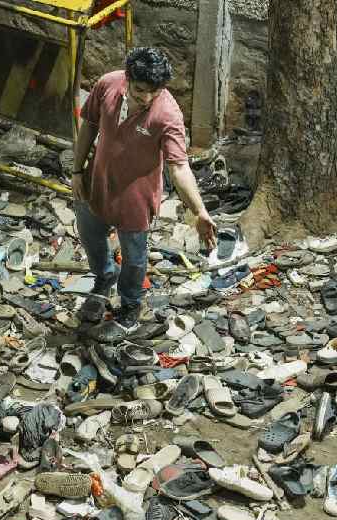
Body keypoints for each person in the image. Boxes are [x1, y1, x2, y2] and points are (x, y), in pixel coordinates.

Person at [71, 47, 217, 330]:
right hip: (96, 182)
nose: (146, 98)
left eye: (155, 91)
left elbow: (179, 166)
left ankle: (130, 306)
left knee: (135, 260)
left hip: (135, 198)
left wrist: (199, 210)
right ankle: (103, 279)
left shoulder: (167, 115)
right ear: (127, 78)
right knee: (90, 237)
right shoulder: (108, 85)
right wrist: (77, 170)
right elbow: (88, 125)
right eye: (140, 90)